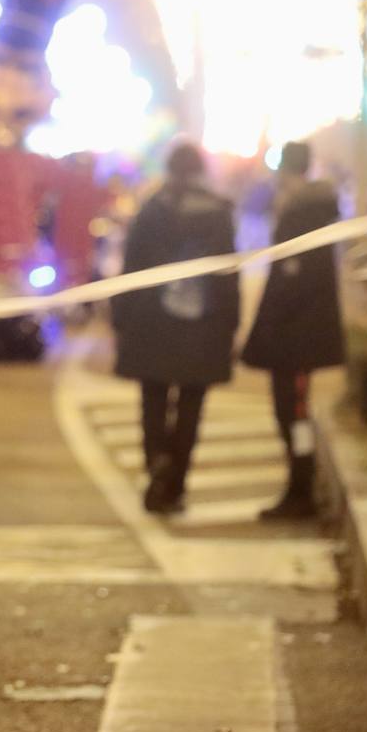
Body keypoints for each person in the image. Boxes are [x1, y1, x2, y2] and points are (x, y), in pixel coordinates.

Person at [112, 143, 239, 514]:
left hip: (151, 322)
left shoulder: (151, 209)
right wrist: (231, 325)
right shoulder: (218, 213)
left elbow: (130, 268)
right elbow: (227, 277)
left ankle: (157, 465)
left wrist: (120, 317)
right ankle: (177, 482)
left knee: (152, 400)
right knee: (190, 405)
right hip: (203, 327)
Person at [242, 141, 344, 520]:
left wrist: (269, 328)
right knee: (290, 413)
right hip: (294, 336)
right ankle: (298, 484)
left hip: (297, 338)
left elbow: (294, 280)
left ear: (285, 170)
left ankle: (301, 488)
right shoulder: (307, 209)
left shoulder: (304, 214)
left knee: (295, 413)